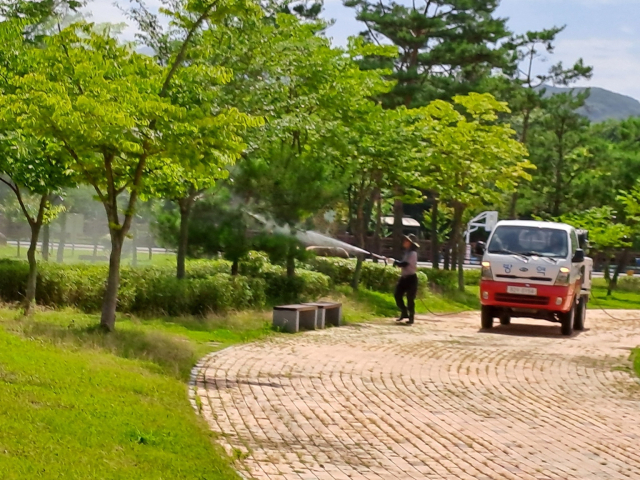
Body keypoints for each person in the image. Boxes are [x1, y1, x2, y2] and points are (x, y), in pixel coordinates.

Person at [391, 234, 419, 325]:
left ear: (410, 243)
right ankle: (404, 312)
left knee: (410, 298)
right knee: (397, 295)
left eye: (406, 241)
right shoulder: (407, 252)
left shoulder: (413, 253)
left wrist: (395, 262)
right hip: (404, 278)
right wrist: (395, 262)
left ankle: (411, 317)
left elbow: (405, 264)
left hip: (411, 278)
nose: (404, 242)